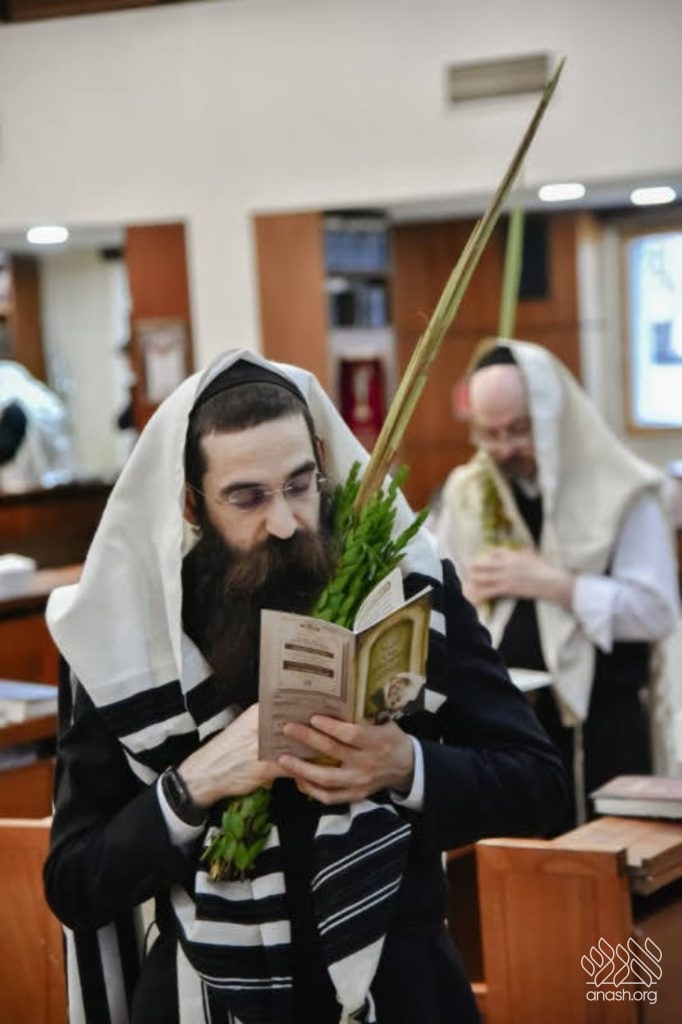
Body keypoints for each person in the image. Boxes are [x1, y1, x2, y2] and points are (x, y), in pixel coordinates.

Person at [43, 348, 565, 1024]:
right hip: (206, 998)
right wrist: (196, 782)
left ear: (322, 459)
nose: (286, 522)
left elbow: (539, 784)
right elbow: (76, 883)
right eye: (248, 498)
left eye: (299, 484)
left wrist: (405, 765)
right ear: (192, 503)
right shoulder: (131, 647)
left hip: (397, 986)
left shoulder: (406, 584)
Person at [431, 339, 680, 827]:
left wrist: (557, 584)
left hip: (602, 729)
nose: (505, 449)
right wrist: (466, 599)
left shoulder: (625, 489)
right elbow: (441, 593)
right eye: (490, 434)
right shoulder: (468, 490)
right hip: (506, 733)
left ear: (552, 417)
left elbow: (656, 612)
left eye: (519, 430)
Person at [0, 359, 75, 491]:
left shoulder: (11, 401)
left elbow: (7, 445)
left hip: (26, 487)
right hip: (57, 483)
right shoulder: (33, 391)